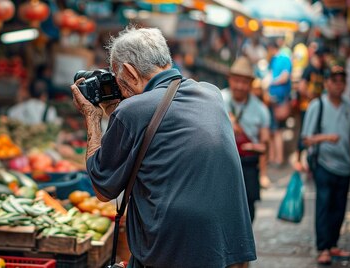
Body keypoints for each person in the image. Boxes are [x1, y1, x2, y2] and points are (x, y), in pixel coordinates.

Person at [70, 26, 256, 268]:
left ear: (129, 71)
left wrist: (92, 118)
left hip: (169, 250)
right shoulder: (212, 95)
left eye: (118, 80)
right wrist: (119, 111)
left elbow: (103, 189)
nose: (119, 88)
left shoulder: (133, 111)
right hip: (221, 244)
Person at [301, 65, 350, 265]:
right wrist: (326, 137)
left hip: (345, 164)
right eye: (334, 81)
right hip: (323, 164)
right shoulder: (316, 106)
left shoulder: (349, 106)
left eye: (342, 81)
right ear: (326, 83)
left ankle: (333, 244)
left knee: (339, 207)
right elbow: (306, 139)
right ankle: (323, 248)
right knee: (324, 206)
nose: (338, 85)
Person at [222, 57, 271, 222]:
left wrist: (255, 148)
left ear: (250, 84)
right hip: (224, 163)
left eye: (244, 82)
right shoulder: (218, 99)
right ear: (230, 79)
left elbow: (265, 145)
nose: (239, 86)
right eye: (236, 81)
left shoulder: (261, 109)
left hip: (249, 165)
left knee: (248, 210)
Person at [295, 46, 327, 172]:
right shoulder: (309, 69)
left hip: (317, 107)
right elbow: (301, 88)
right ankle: (299, 160)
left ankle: (309, 160)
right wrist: (313, 97)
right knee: (305, 132)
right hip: (306, 107)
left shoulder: (321, 70)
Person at [267, 40, 292, 167]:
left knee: (276, 131)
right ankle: (275, 158)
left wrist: (270, 82)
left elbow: (284, 77)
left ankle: (278, 159)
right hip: (276, 99)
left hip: (279, 99)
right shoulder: (279, 59)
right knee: (274, 130)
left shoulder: (282, 59)